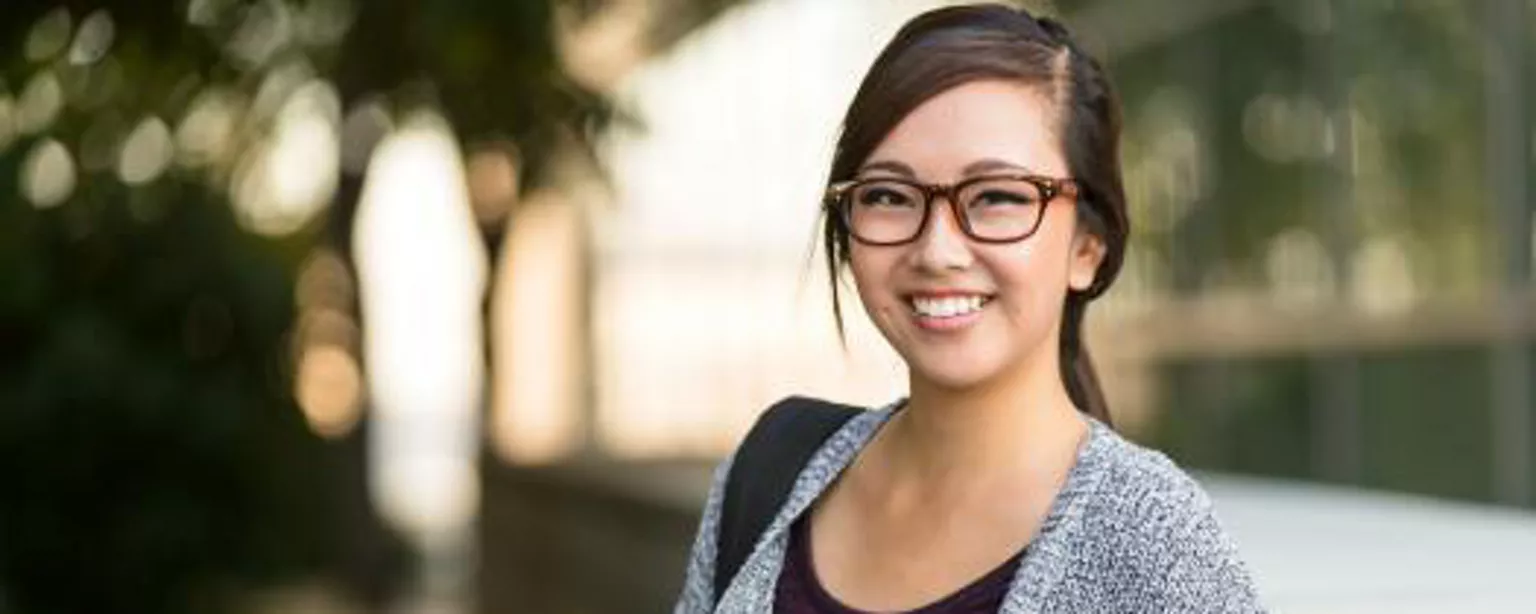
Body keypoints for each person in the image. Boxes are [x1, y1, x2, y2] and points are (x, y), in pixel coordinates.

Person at [674, 4, 1264, 613]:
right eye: (888, 195)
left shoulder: (1154, 543)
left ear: (1087, 248)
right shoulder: (770, 472)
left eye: (998, 197)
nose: (937, 250)